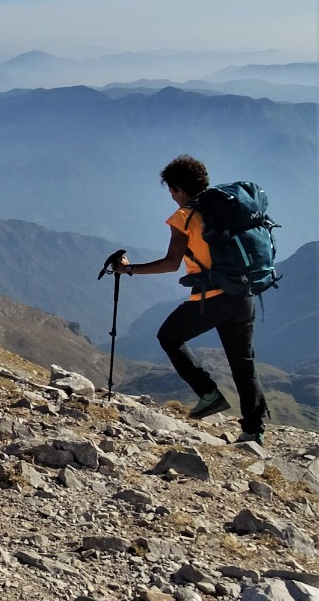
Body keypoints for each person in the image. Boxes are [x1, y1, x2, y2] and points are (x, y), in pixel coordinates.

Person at [115, 155, 268, 444]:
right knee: (243, 363)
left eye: (172, 191)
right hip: (243, 293)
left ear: (180, 189)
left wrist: (130, 269)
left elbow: (172, 263)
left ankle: (208, 394)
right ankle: (254, 431)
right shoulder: (226, 209)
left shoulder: (185, 216)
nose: (172, 197)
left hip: (212, 297)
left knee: (169, 337)